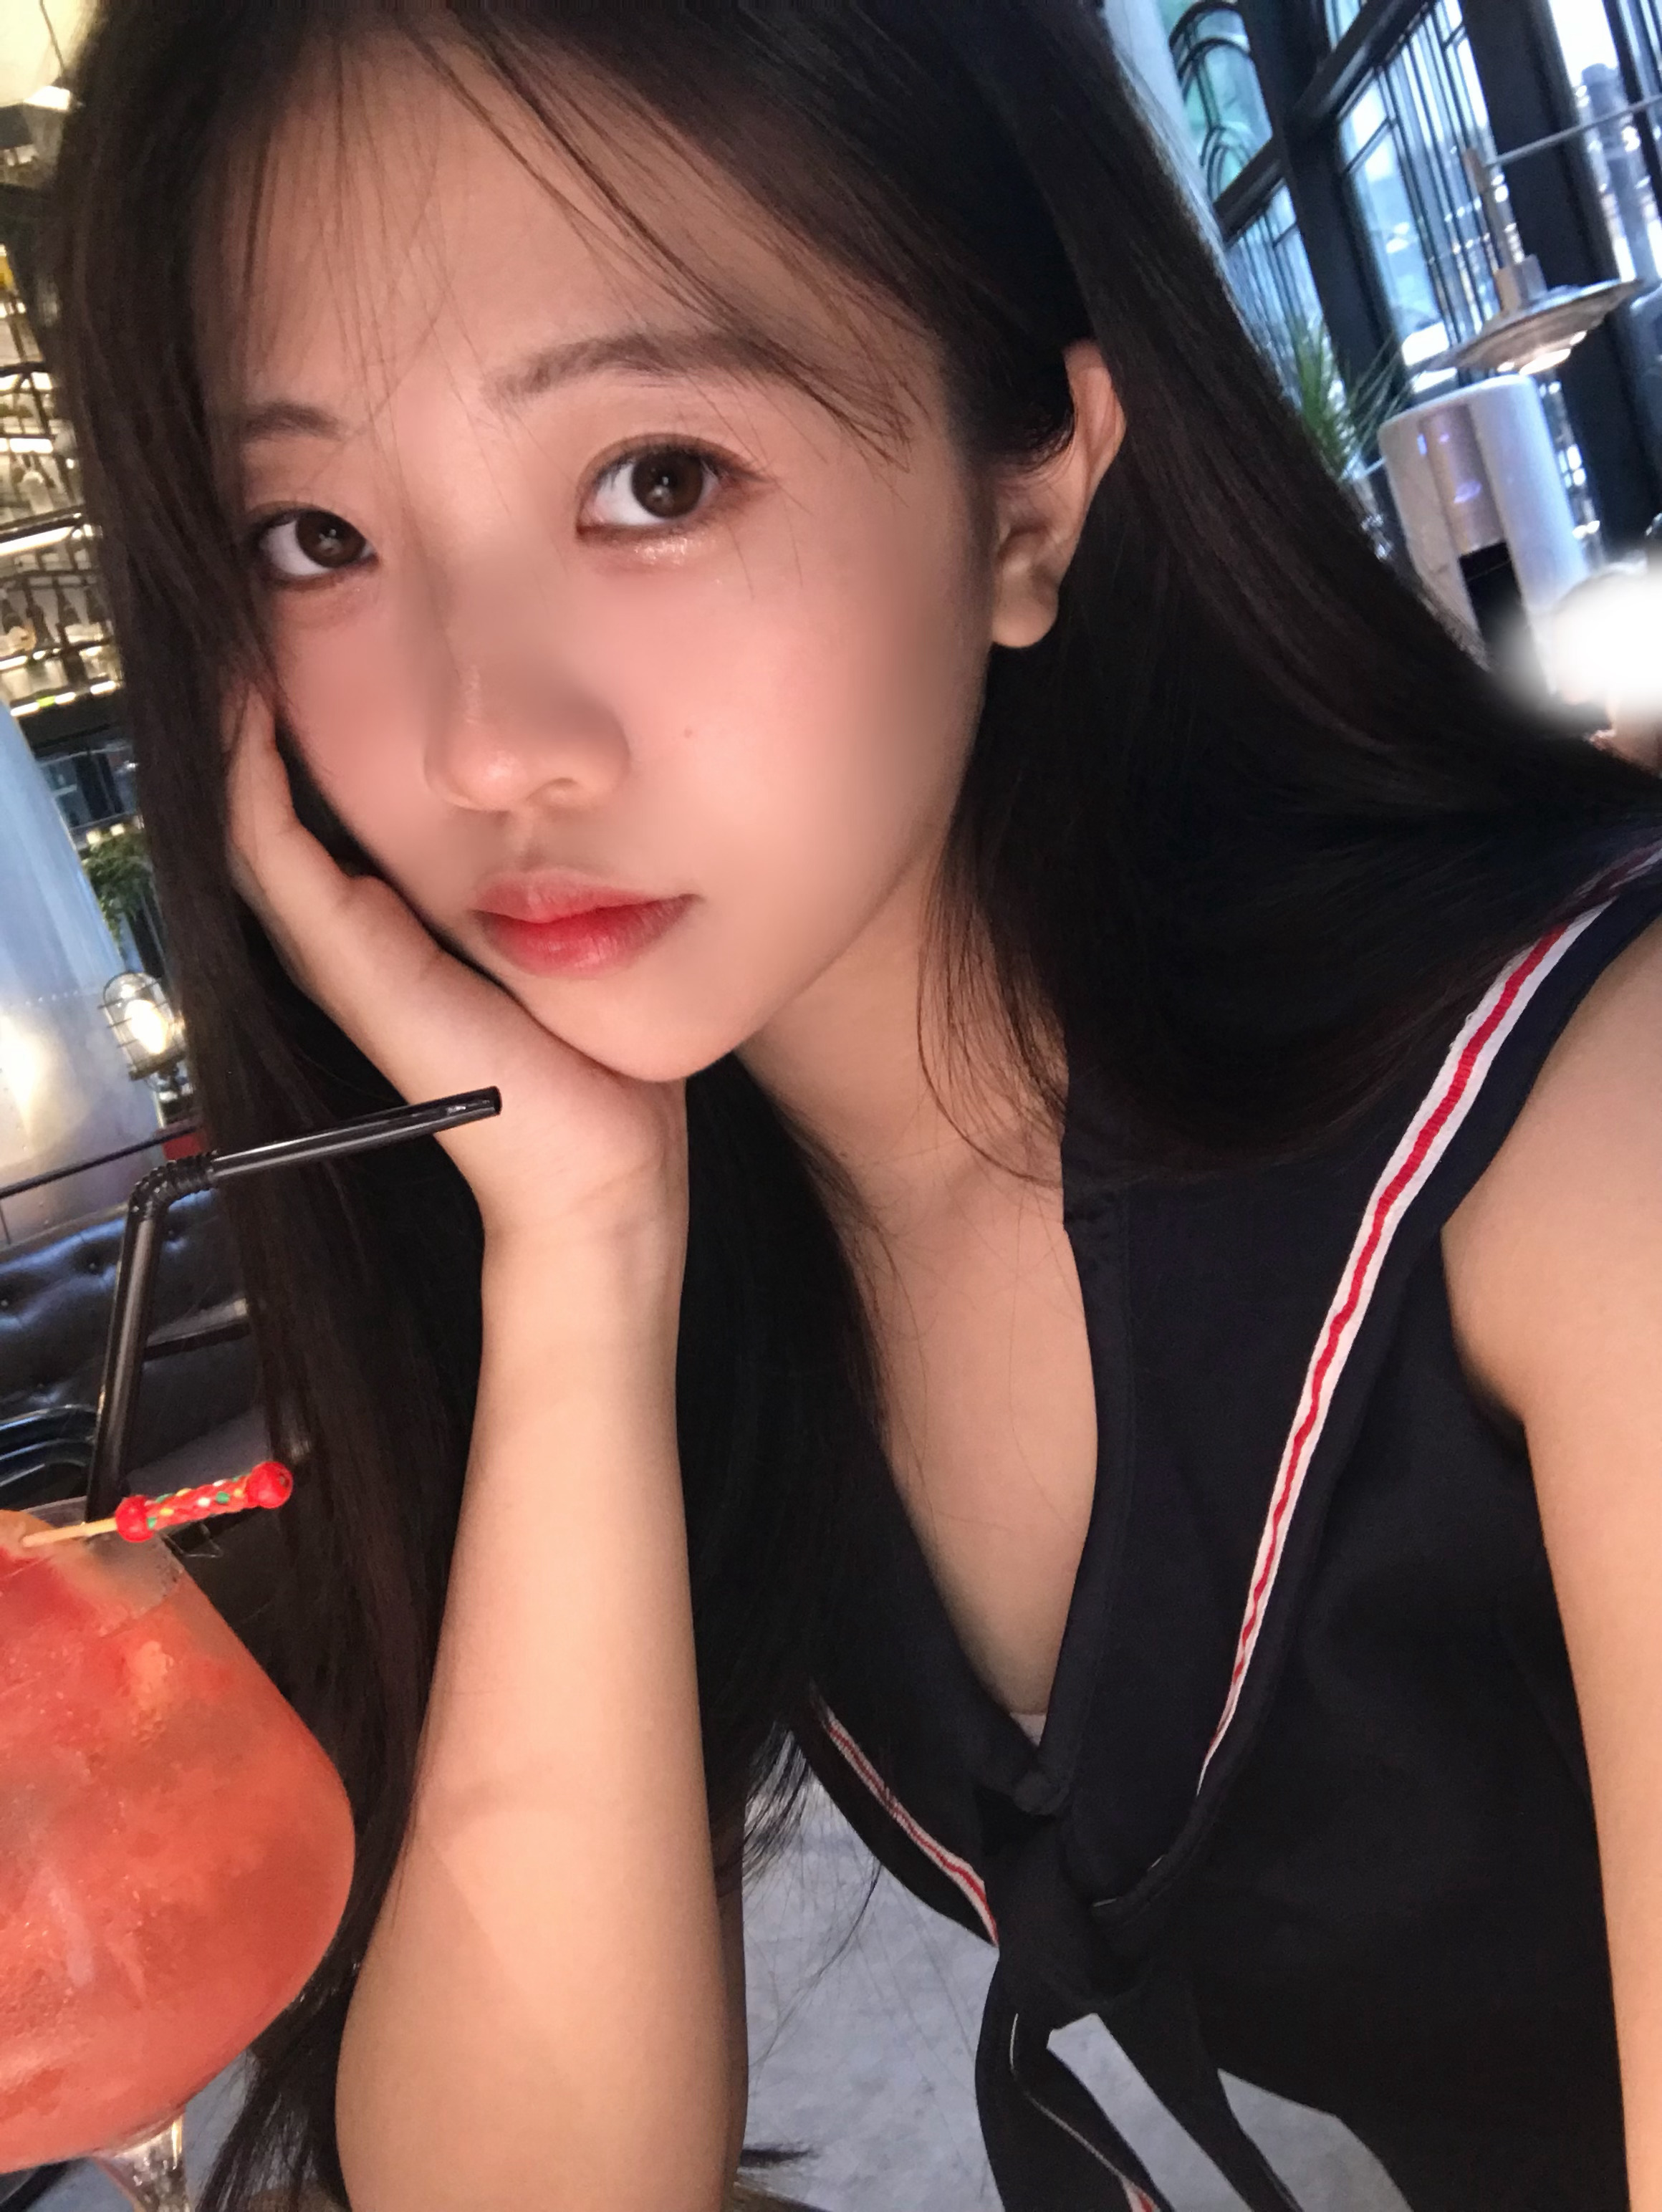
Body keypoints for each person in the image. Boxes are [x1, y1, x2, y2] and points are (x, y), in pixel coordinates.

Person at [49, 4, 1662, 2209]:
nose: (482, 743)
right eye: (318, 535)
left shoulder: (1589, 1141)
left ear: (1030, 499)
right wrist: (582, 1255)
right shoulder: (741, 1261)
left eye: (657, 481)